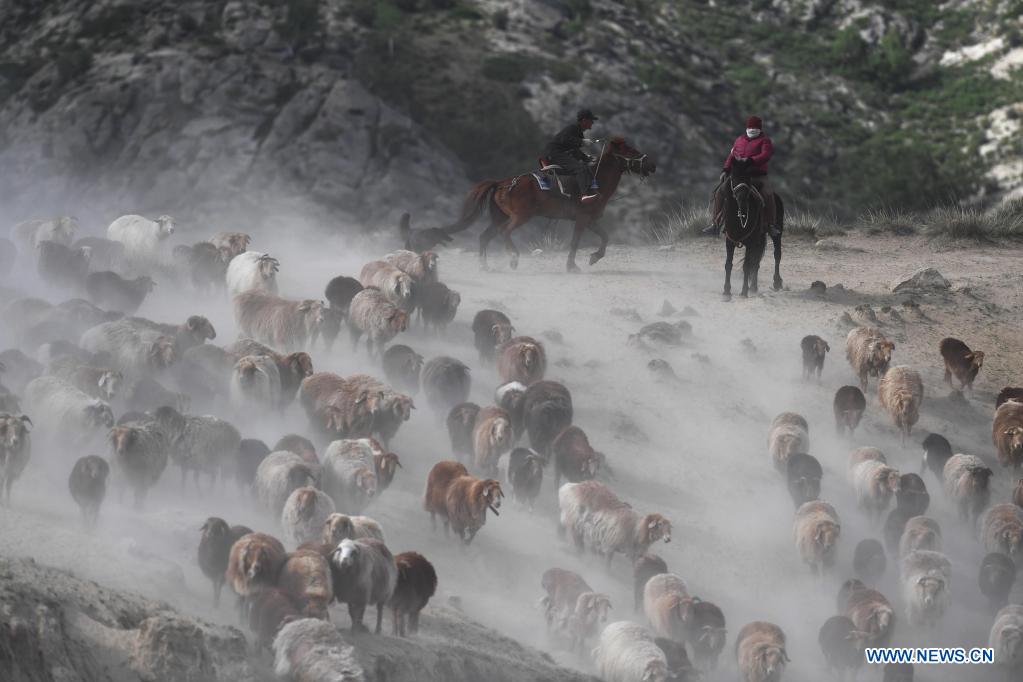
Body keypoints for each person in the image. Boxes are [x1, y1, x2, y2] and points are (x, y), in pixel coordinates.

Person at [706, 115, 778, 236]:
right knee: (719, 192)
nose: (753, 130)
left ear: (760, 129)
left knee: (768, 193)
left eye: (755, 128)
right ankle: (715, 224)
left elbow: (766, 155)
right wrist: (726, 169)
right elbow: (732, 156)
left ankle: (770, 225)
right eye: (750, 127)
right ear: (747, 128)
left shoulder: (765, 140)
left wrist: (751, 160)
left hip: (757, 175)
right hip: (738, 175)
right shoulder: (739, 140)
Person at [543, 109, 600, 205]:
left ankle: (591, 191)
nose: (592, 123)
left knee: (584, 166)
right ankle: (584, 195)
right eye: (591, 120)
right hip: (554, 154)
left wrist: (587, 158)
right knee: (580, 169)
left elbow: (574, 151)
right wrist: (581, 142)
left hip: (556, 154)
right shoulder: (572, 128)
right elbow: (565, 139)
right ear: (584, 120)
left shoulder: (578, 132)